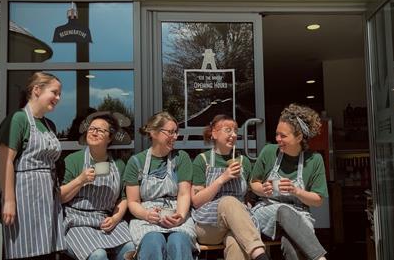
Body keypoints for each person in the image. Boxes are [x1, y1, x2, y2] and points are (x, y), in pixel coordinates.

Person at [0, 72, 65, 259]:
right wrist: (9, 201)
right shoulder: (18, 119)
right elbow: (5, 161)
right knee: (25, 252)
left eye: (59, 94)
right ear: (36, 90)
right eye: (54, 92)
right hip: (24, 198)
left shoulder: (49, 124)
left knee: (47, 253)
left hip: (48, 200)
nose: (58, 98)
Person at [250, 104, 328, 260]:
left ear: (299, 137)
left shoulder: (314, 159)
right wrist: (262, 189)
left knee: (290, 246)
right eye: (277, 134)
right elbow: (254, 183)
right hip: (267, 210)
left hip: (299, 214)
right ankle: (320, 258)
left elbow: (318, 200)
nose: (278, 139)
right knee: (284, 210)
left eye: (283, 136)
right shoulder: (269, 152)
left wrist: (296, 191)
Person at [191, 115, 270, 260]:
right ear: (214, 133)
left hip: (238, 223)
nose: (233, 135)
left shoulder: (243, 162)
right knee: (228, 201)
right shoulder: (202, 160)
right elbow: (196, 201)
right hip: (208, 224)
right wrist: (223, 178)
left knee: (237, 243)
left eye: (235, 131)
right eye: (228, 130)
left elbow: (250, 193)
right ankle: (260, 255)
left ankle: (258, 253)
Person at [61, 111, 135, 260]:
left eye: (100, 130)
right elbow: (60, 197)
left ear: (110, 138)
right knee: (98, 255)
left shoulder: (118, 165)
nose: (94, 133)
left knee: (130, 249)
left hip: (105, 220)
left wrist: (115, 218)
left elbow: (123, 198)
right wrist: (80, 180)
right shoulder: (74, 160)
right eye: (91, 129)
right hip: (76, 221)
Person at [124, 112, 197, 260]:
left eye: (176, 132)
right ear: (153, 133)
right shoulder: (136, 162)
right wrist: (146, 214)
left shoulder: (181, 158)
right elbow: (133, 201)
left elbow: (184, 194)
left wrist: (181, 216)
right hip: (146, 218)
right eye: (171, 132)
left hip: (176, 212)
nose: (175, 136)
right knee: (153, 242)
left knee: (179, 242)